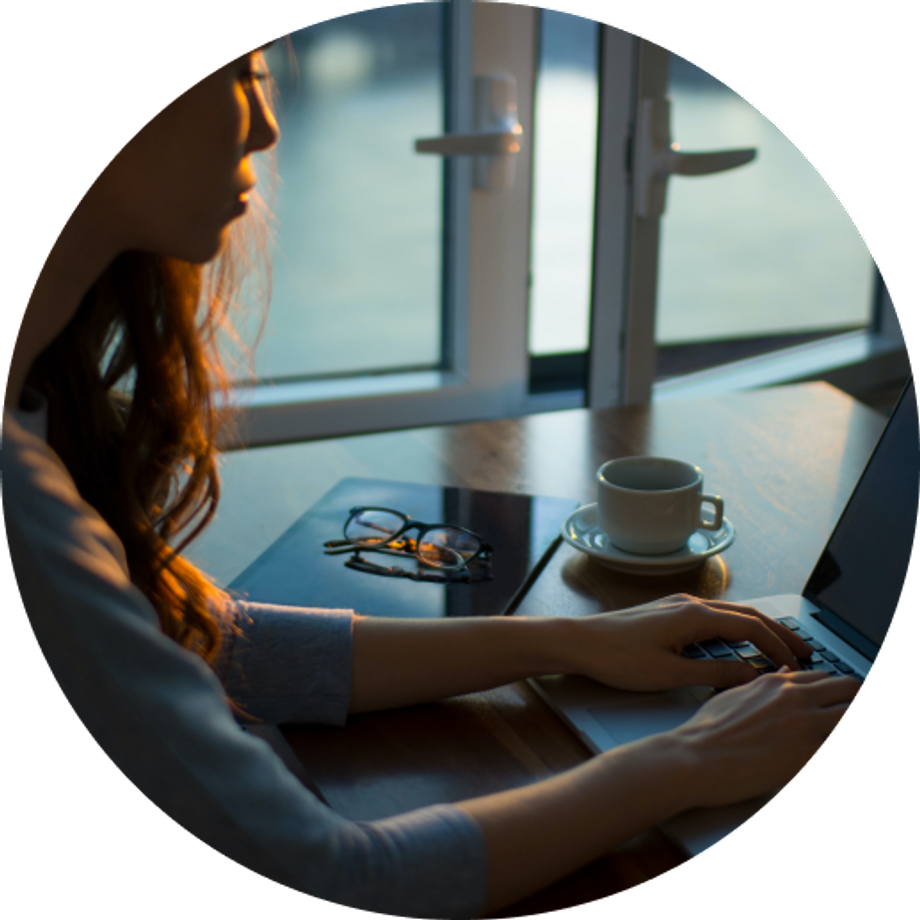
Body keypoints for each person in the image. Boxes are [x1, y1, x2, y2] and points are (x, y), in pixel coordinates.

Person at [1, 43, 861, 920]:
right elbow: (340, 881)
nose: (264, 121)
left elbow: (210, 640)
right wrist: (686, 762)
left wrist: (567, 645)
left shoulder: (30, 410)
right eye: (242, 74)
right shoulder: (19, 502)